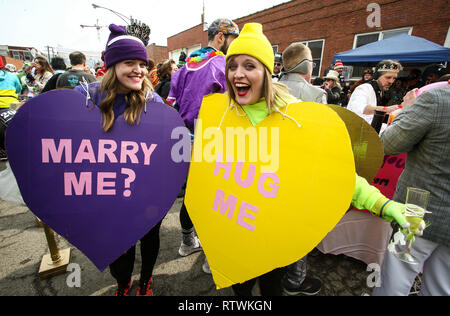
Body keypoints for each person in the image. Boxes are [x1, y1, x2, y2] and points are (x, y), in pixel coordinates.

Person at [223, 22, 418, 297]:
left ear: (267, 72)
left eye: (249, 66)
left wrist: (381, 203)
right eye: (232, 66)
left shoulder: (296, 116)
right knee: (240, 289)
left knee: (270, 287)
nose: (238, 74)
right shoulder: (223, 116)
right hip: (235, 228)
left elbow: (332, 169)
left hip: (277, 232)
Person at [73, 23, 167, 297]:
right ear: (112, 64)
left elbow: (168, 146)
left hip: (147, 192)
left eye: (142, 63)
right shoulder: (86, 97)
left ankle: (146, 280)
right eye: (129, 62)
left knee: (149, 239)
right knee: (117, 247)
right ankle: (123, 282)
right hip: (106, 192)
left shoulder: (153, 102)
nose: (138, 69)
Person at [167, 18, 239, 271]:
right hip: (213, 141)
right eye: (233, 39)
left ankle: (187, 242)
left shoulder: (185, 66)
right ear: (220, 37)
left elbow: (172, 105)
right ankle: (212, 255)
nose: (235, 45)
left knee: (192, 194)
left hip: (183, 138)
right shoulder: (223, 65)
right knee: (216, 199)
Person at [373, 83, 450, 296]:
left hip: (418, 207)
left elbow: (388, 143)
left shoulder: (436, 99)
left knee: (396, 275)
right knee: (442, 286)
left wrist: (407, 110)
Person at [347, 60, 403, 125]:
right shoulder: (364, 88)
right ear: (377, 76)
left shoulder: (383, 91)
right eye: (388, 77)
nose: (391, 81)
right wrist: (386, 109)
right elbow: (359, 108)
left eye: (394, 78)